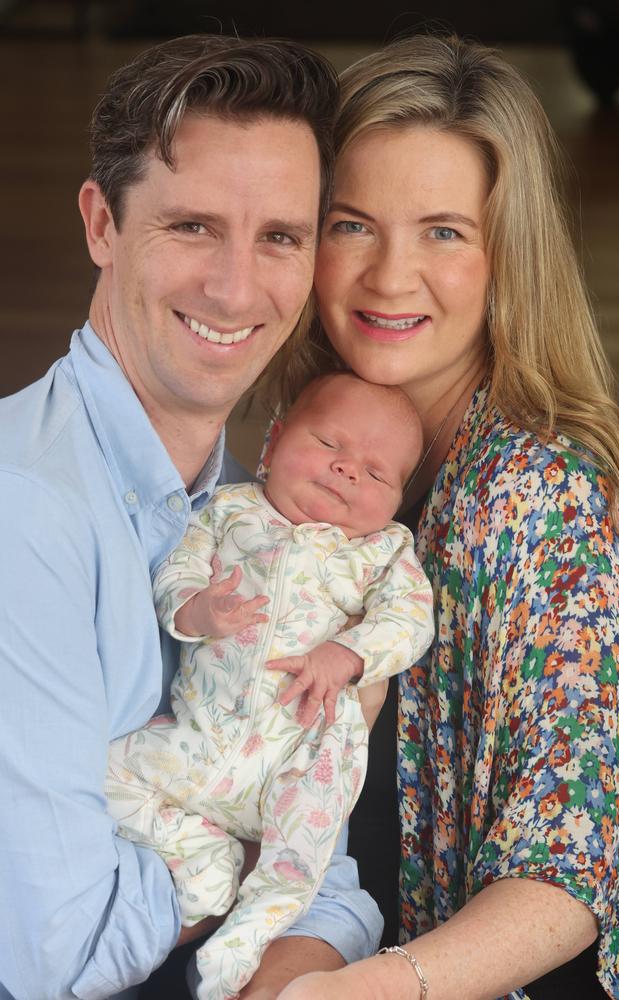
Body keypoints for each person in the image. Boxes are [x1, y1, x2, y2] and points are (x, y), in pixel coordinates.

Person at [257, 33, 619, 1000]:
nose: (390, 277)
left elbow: (568, 875)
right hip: (315, 926)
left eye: (444, 231)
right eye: (353, 225)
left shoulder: (547, 498)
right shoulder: (302, 445)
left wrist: (354, 992)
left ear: (506, 255)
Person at [0, 35, 386, 1000]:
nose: (236, 288)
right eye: (193, 226)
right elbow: (53, 961)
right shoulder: (28, 514)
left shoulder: (250, 511)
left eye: (280, 237)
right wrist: (260, 878)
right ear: (101, 223)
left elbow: (334, 888)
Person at [106, 372, 434, 1000]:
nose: (346, 472)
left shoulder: (384, 553)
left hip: (301, 757)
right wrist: (193, 611)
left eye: (375, 473)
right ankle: (204, 858)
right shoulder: (230, 510)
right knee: (103, 769)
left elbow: (410, 618)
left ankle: (241, 944)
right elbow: (178, 568)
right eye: (329, 444)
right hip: (203, 742)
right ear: (276, 438)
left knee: (297, 864)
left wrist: (348, 653)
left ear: (396, 501)